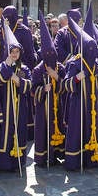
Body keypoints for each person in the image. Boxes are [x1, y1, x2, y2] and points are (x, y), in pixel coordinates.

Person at [61, 16, 98, 170]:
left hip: (93, 103)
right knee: (78, 129)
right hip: (79, 103)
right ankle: (76, 159)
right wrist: (78, 78)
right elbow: (66, 84)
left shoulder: (95, 63)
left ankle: (93, 157)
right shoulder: (75, 63)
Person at [0, 28, 32, 173]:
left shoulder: (25, 69)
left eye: (17, 52)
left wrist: (17, 79)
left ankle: (17, 162)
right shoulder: (0, 67)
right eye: (12, 52)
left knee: (19, 130)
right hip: (4, 106)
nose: (14, 54)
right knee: (5, 132)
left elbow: (29, 85)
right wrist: (6, 67)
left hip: (20, 107)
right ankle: (4, 163)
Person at [31, 11, 66, 166]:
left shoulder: (60, 67)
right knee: (44, 130)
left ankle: (58, 153)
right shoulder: (38, 70)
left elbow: (66, 85)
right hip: (44, 108)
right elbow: (33, 89)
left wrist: (56, 77)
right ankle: (45, 156)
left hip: (59, 107)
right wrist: (42, 90)